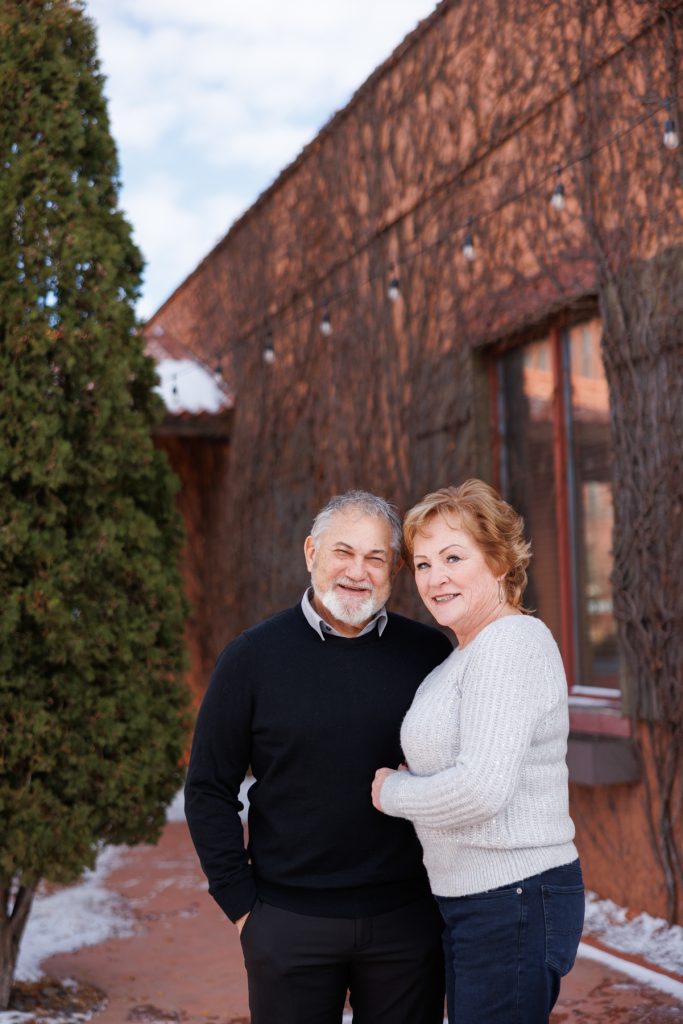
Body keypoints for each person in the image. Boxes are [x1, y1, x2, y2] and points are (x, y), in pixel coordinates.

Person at [185, 490, 451, 1024]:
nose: (358, 571)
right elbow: (209, 788)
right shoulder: (252, 658)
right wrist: (242, 908)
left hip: (406, 921)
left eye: (376, 557)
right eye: (342, 552)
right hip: (288, 922)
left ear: (394, 568)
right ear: (311, 553)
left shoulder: (429, 655)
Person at [372, 479, 584, 1024]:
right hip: (479, 899)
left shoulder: (510, 644)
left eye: (452, 557)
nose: (435, 577)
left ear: (497, 561)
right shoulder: (464, 656)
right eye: (422, 564)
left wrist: (393, 791)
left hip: (511, 897)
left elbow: (482, 789)